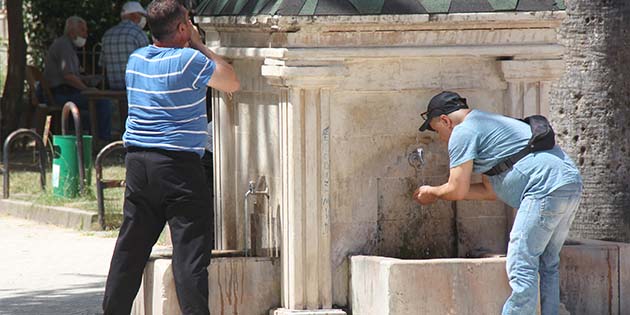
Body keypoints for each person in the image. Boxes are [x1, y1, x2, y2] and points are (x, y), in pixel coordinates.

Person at [102, 0, 239, 314]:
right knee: (190, 255)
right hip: (178, 169)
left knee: (130, 250)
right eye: (188, 23)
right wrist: (201, 44)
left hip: (138, 165)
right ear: (181, 28)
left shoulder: (136, 60)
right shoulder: (189, 61)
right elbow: (231, 80)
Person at [414, 91, 582, 315]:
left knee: (521, 261)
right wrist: (443, 191)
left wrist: (432, 192)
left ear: (445, 121)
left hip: (543, 188)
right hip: (568, 183)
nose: (442, 139)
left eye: (438, 131)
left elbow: (456, 189)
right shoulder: (489, 125)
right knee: (547, 261)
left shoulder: (462, 132)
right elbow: (488, 190)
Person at [43, 16, 113, 141]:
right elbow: (68, 76)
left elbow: (70, 74)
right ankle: (102, 140)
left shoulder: (66, 44)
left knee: (99, 101)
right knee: (102, 102)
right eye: (82, 30)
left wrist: (86, 78)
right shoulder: (64, 46)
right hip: (60, 93)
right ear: (72, 30)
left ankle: (96, 138)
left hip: (61, 91)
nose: (86, 34)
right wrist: (87, 90)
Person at [100, 1, 150, 91]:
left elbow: (103, 64)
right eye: (142, 15)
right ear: (134, 15)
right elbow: (149, 63)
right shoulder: (138, 33)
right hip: (137, 90)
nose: (144, 19)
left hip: (114, 90)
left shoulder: (107, 35)